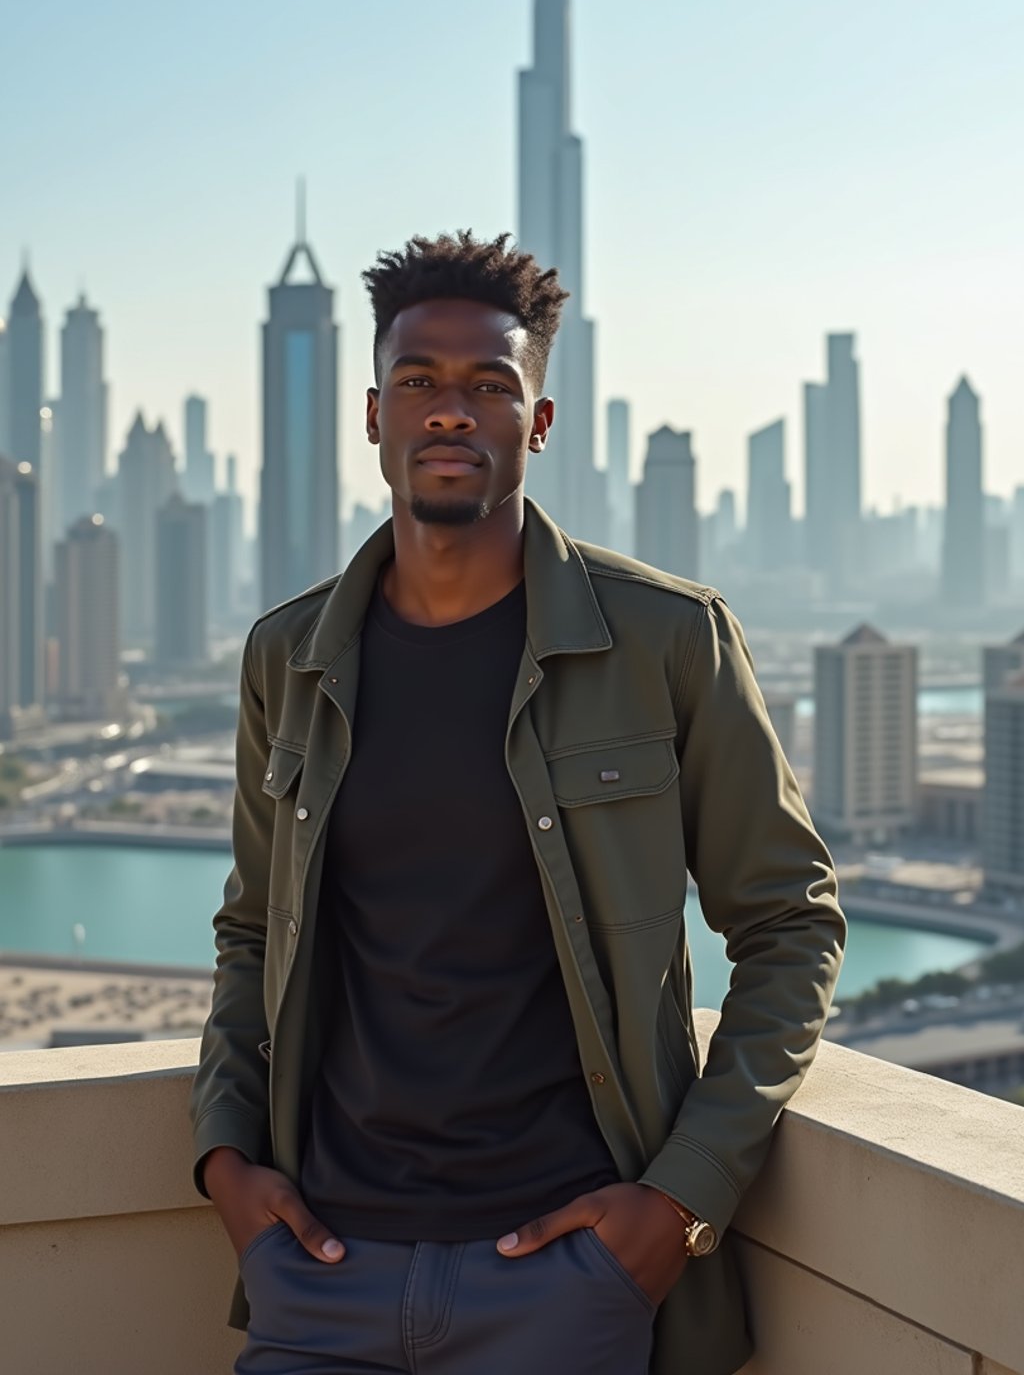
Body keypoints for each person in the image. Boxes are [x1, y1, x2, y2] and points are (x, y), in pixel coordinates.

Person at [190, 229, 846, 1375]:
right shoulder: (286, 657)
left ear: (536, 424)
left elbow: (791, 923)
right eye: (419, 384)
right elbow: (254, 930)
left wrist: (677, 1202)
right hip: (321, 1270)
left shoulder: (666, 639)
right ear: (373, 416)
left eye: (490, 385)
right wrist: (225, 1162)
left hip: (566, 1279)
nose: (451, 411)